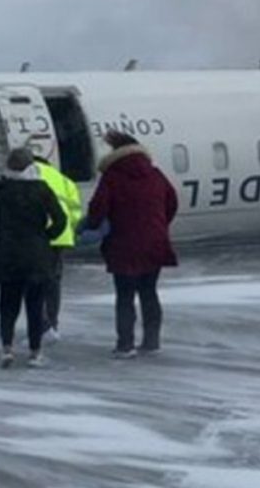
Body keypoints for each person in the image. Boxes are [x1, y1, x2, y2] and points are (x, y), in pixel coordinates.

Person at [83, 132, 178, 358]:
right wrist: (159, 225)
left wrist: (92, 227)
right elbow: (172, 201)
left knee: (125, 296)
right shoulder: (155, 174)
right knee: (149, 292)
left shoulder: (112, 177)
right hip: (154, 242)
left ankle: (125, 345)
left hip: (123, 244)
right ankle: (151, 342)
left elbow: (98, 208)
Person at [0, 148, 66, 368]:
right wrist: (46, 237)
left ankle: (6, 348)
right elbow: (60, 219)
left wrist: (6, 235)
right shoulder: (42, 190)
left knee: (7, 305)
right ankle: (35, 352)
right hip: (36, 255)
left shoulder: (1, 190)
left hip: (8, 254)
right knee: (35, 306)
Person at [32, 155, 82, 344]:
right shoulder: (64, 180)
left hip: (36, 237)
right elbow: (76, 212)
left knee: (34, 283)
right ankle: (52, 323)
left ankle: (40, 326)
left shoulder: (30, 177)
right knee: (53, 283)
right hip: (60, 236)